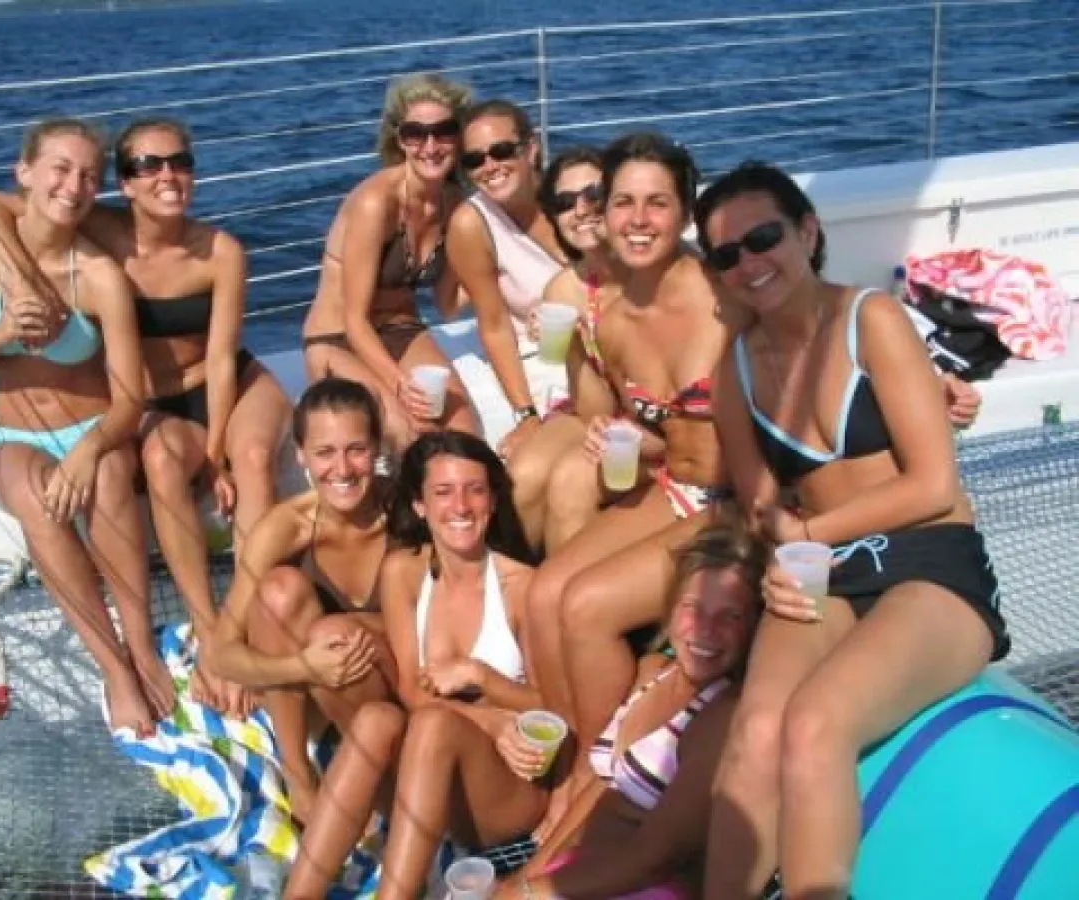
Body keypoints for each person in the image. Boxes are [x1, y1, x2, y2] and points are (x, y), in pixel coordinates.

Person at [694, 161, 1010, 900]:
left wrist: (813, 530)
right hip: (824, 566)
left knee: (815, 725)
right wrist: (786, 544)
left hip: (931, 564)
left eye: (763, 236)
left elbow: (935, 485)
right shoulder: (735, 368)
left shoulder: (872, 320)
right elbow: (760, 502)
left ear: (808, 231)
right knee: (756, 733)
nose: (749, 262)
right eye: (726, 254)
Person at [0, 116, 293, 718]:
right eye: (148, 165)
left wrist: (215, 458)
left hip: (231, 385)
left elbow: (221, 362)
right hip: (153, 403)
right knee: (162, 460)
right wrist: (17, 275)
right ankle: (207, 627)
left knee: (249, 464)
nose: (167, 175)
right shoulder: (100, 230)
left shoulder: (220, 250)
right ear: (124, 181)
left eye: (180, 162)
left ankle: (247, 631)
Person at [0, 118, 170, 736]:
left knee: (113, 476)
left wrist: (87, 452)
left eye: (90, 175)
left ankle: (143, 648)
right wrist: (0, 334)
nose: (74, 186)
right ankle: (116, 673)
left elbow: (129, 398)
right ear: (25, 173)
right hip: (16, 435)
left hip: (94, 426)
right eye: (61, 169)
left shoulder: (98, 276)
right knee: (39, 503)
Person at [523, 132, 735, 755]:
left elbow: (819, 335)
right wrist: (576, 355)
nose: (638, 221)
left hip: (738, 502)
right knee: (542, 597)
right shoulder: (607, 315)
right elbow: (602, 419)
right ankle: (563, 755)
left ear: (686, 212)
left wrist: (931, 378)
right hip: (674, 487)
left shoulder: (728, 293)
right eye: (623, 203)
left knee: (584, 606)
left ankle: (598, 776)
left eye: (657, 203)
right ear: (604, 213)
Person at [285, 431, 541, 900]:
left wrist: (481, 678)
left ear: (494, 500)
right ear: (420, 505)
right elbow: (408, 688)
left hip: (505, 792)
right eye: (442, 492)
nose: (460, 506)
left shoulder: (525, 588)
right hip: (430, 776)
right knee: (379, 716)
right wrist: (485, 714)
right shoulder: (404, 571)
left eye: (475, 489)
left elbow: (554, 706)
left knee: (434, 725)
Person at [492, 518, 769, 900]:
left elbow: (655, 857)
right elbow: (599, 786)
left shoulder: (722, 715)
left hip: (645, 888)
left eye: (730, 616)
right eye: (693, 607)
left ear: (753, 625)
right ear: (671, 608)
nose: (705, 629)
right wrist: (526, 875)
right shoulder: (653, 672)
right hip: (580, 876)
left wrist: (527, 892)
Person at [202, 377, 394, 825]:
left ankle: (377, 773)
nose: (342, 469)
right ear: (301, 455)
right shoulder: (284, 529)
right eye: (325, 452)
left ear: (378, 447)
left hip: (387, 675)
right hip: (312, 692)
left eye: (356, 449)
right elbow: (222, 652)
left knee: (338, 632)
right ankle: (298, 773)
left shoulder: (405, 509)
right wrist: (305, 668)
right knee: (278, 592)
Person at [302, 73, 480, 449]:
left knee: (464, 423)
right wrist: (399, 384)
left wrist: (502, 279)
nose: (430, 146)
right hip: (338, 338)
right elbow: (354, 320)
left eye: (444, 131)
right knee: (408, 429)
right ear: (400, 140)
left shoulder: (454, 204)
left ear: (460, 136)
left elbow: (448, 305)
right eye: (416, 133)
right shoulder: (376, 203)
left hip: (402, 329)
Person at [505, 145, 622, 553]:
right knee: (523, 475)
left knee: (572, 479)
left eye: (594, 193)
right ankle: (508, 589)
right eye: (564, 202)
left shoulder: (654, 271)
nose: (581, 208)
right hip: (597, 410)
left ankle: (560, 595)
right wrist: (572, 348)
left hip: (655, 418)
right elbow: (594, 411)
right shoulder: (564, 289)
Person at [445, 99, 571, 459]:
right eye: (474, 160)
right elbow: (495, 324)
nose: (490, 166)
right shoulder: (472, 224)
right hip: (544, 357)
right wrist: (526, 413)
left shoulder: (572, 195)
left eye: (502, 151)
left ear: (531, 149)